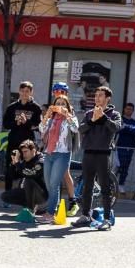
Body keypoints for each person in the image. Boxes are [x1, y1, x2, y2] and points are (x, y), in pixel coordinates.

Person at [72, 86, 122, 231]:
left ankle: (106, 219)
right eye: (96, 95)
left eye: (100, 95)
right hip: (88, 153)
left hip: (103, 154)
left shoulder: (114, 114)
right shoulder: (88, 113)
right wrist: (93, 120)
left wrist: (103, 118)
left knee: (105, 187)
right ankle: (85, 215)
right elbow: (80, 130)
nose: (97, 98)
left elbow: (116, 128)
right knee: (87, 186)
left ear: (107, 98)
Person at [38, 95, 79, 224]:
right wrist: (47, 115)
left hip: (63, 154)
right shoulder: (51, 119)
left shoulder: (70, 118)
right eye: (58, 103)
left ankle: (50, 213)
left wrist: (67, 116)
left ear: (67, 106)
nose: (60, 105)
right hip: (49, 153)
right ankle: (51, 210)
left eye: (63, 103)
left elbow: (75, 128)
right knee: (48, 183)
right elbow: (42, 129)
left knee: (54, 183)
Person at [2, 81, 42, 206]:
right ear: (19, 91)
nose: (25, 94)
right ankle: (7, 196)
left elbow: (38, 126)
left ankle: (27, 196)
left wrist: (27, 123)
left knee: (28, 169)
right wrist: (16, 123)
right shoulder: (12, 107)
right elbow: (5, 124)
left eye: (27, 91)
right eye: (22, 91)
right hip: (13, 142)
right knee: (10, 168)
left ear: (31, 92)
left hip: (28, 144)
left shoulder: (36, 108)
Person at [51, 82, 79, 217]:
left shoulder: (69, 109)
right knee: (57, 175)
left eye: (61, 92)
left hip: (65, 148)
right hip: (53, 148)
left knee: (65, 173)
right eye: (56, 92)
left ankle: (73, 201)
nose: (58, 94)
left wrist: (66, 114)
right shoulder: (53, 109)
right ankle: (54, 203)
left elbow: (74, 127)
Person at [1, 140, 48, 217]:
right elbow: (14, 176)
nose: (24, 154)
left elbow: (31, 174)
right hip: (30, 192)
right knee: (5, 196)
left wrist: (17, 164)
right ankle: (31, 207)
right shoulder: (25, 161)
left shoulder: (41, 161)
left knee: (29, 180)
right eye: (22, 152)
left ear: (33, 150)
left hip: (42, 195)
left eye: (26, 151)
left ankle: (33, 209)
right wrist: (13, 163)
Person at [116, 103, 135, 193]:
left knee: (125, 167)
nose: (129, 110)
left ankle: (121, 184)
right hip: (120, 147)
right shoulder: (120, 119)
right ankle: (112, 184)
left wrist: (126, 129)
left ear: (133, 111)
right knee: (118, 167)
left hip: (130, 148)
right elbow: (119, 129)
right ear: (124, 109)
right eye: (127, 109)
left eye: (131, 109)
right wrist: (127, 129)